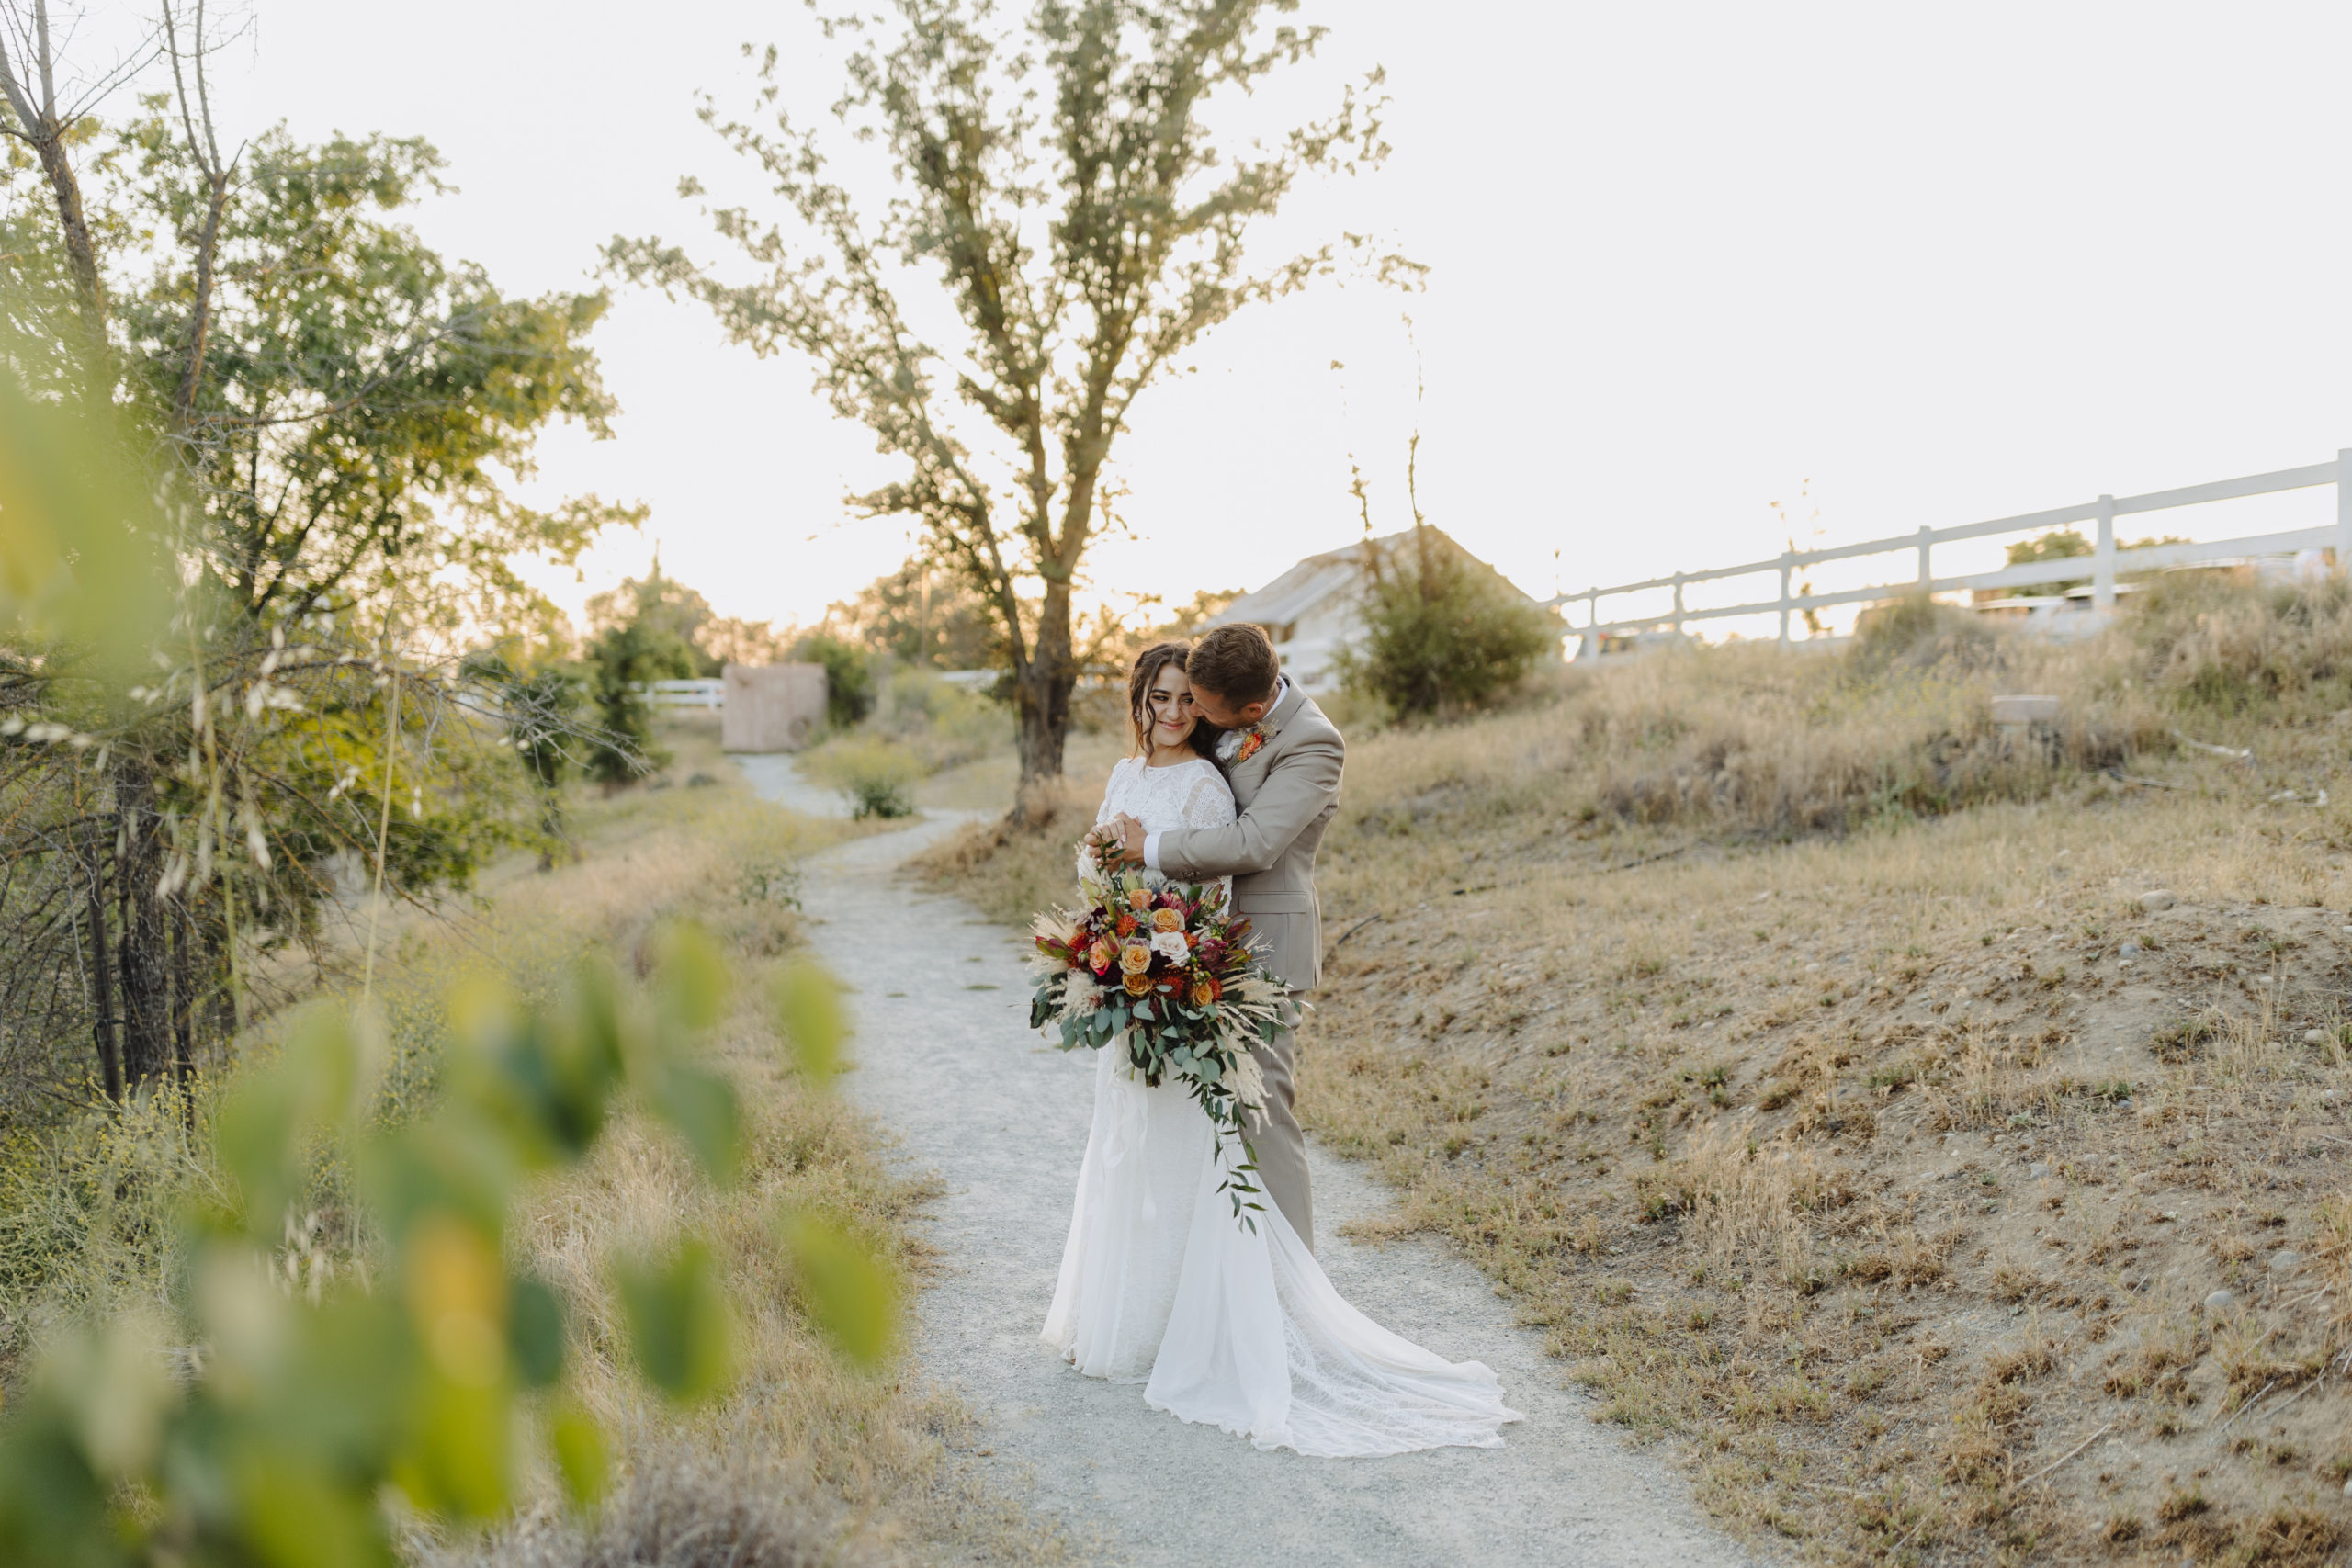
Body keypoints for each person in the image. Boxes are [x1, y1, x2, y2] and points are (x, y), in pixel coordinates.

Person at [1042, 634, 1519, 1456]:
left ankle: (1293, 1302)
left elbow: (1255, 843)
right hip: (1181, 943)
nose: (1188, 717)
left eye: (1199, 706)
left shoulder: (1315, 743)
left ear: (1248, 711)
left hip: (1258, 946)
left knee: (1265, 1115)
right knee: (1190, 1121)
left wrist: (1143, 853)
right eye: (1170, 697)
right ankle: (1178, 1300)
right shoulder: (1221, 697)